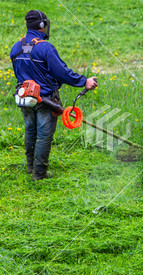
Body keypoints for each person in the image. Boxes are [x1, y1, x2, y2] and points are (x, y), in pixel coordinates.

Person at [10, 10, 98, 180]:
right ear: (42, 26)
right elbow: (61, 73)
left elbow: (18, 72)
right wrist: (84, 81)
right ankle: (39, 174)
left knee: (30, 131)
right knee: (43, 135)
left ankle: (30, 167)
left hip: (24, 98)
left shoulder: (17, 47)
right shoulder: (45, 48)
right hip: (45, 99)